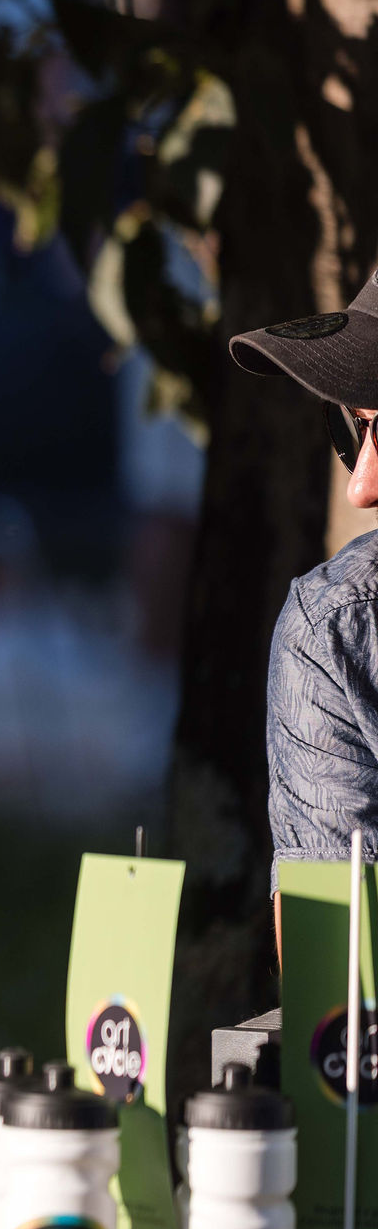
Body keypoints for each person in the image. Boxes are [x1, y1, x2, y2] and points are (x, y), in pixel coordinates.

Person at [233, 273, 378, 895]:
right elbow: (333, 938)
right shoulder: (336, 632)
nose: (361, 487)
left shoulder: (335, 626)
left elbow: (333, 947)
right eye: (355, 428)